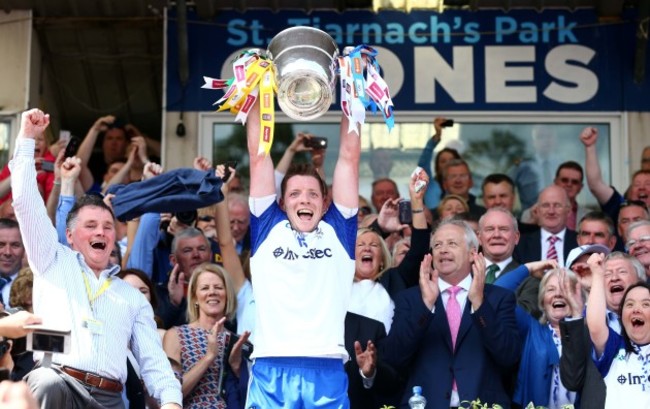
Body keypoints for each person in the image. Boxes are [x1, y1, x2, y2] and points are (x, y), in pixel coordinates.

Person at [10, 109, 181, 409]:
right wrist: (26, 139)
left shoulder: (131, 295)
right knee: (46, 381)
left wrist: (171, 403)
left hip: (109, 398)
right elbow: (25, 203)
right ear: (71, 236)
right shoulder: (51, 258)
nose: (100, 231)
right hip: (59, 383)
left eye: (106, 226)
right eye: (90, 226)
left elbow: (154, 361)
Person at [244, 96, 360, 407]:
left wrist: (352, 90)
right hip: (271, 366)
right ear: (281, 204)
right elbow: (258, 157)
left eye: (312, 194)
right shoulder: (268, 227)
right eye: (294, 193)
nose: (304, 200)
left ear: (325, 203)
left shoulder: (339, 229)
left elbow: (348, 158)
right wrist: (257, 89)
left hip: (327, 367)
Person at [382, 220, 521, 408]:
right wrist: (426, 305)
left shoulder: (498, 298)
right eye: (437, 245)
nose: (443, 250)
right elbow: (393, 357)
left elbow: (509, 357)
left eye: (452, 244)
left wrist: (479, 303)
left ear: (473, 253)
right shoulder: (411, 298)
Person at [162, 262, 248, 408]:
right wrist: (209, 357)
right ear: (195, 297)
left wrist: (238, 369)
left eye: (219, 287)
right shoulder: (176, 335)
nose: (212, 292)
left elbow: (253, 396)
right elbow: (170, 395)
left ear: (227, 295)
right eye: (205, 288)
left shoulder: (240, 342)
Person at [585, 253, 650, 408]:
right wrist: (598, 275)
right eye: (629, 305)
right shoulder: (614, 346)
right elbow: (595, 326)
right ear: (622, 315)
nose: (636, 310)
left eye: (646, 304)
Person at [512, 268, 584, 408]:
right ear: (542, 301)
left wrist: (577, 314)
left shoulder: (590, 333)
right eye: (551, 289)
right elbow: (497, 291)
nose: (558, 294)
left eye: (565, 288)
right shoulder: (531, 329)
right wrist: (528, 269)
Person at [514, 185, 579, 318]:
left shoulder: (580, 242)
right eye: (545, 205)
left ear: (569, 211)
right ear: (537, 211)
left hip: (573, 311)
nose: (551, 211)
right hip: (532, 313)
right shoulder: (520, 245)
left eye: (557, 205)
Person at [352, 228, 394, 333]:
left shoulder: (394, 284)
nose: (367, 248)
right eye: (360, 245)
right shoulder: (336, 286)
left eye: (374, 245)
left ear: (382, 260)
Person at [417, 117, 461, 210]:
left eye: (451, 160)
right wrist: (437, 136)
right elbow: (423, 164)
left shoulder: (461, 186)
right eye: (443, 161)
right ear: (437, 166)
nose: (447, 164)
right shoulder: (430, 185)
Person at [477, 207, 521, 283]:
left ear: (516, 237)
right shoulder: (462, 274)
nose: (496, 235)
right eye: (490, 229)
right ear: (479, 238)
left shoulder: (527, 278)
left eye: (503, 229)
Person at [0, 219, 25, 309]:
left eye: (15, 245)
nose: (7, 252)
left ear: (24, 250)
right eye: (1, 245)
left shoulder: (35, 285)